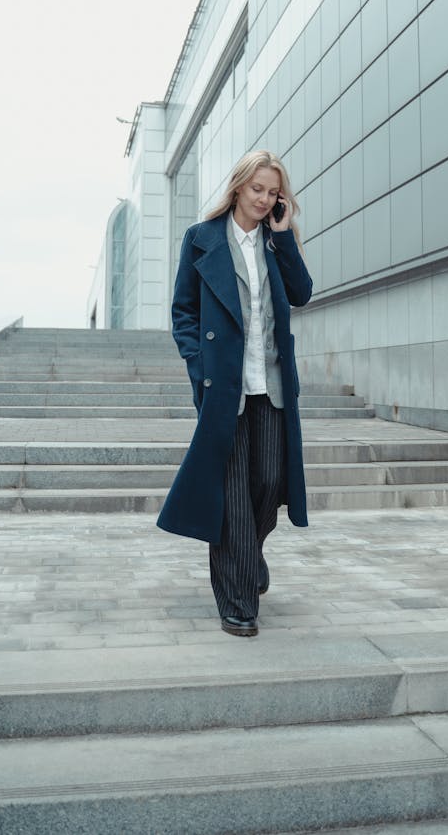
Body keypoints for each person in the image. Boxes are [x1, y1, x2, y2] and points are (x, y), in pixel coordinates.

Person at [157, 150, 313, 637]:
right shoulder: (201, 239)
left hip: (272, 386)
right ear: (238, 187)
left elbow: (302, 292)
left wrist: (285, 237)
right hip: (224, 387)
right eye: (257, 190)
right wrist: (195, 362)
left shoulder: (275, 241)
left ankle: (250, 555)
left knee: (270, 481)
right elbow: (183, 310)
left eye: (273, 192)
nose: (265, 200)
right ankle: (238, 600)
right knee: (233, 497)